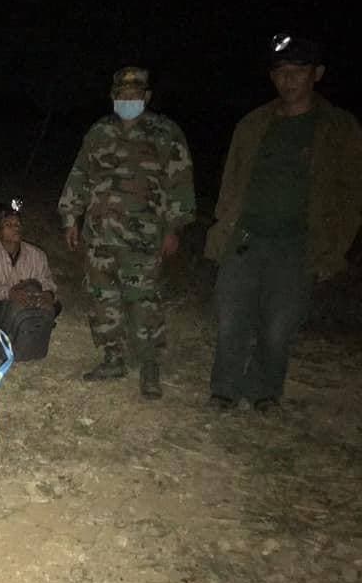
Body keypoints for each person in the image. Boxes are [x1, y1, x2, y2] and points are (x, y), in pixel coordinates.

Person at [204, 35, 362, 413]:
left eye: (298, 71)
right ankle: (224, 390)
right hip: (245, 237)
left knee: (279, 326)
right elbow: (232, 180)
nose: (288, 79)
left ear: (317, 74)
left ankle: (264, 392)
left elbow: (351, 195)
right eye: (280, 71)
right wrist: (223, 226)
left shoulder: (339, 128)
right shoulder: (253, 123)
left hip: (297, 243)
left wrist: (332, 247)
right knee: (230, 317)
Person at [58, 66, 195, 398]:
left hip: (143, 237)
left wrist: (174, 228)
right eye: (122, 94)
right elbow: (80, 174)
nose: (128, 99)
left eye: (135, 94)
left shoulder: (165, 133)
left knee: (143, 300)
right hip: (99, 234)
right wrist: (70, 218)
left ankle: (149, 366)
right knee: (102, 297)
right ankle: (113, 357)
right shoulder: (100, 132)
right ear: (113, 96)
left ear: (146, 96)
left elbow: (180, 183)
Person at [0, 199, 61, 359]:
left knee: (55, 305)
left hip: (29, 301)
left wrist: (48, 294)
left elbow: (47, 281)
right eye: (8, 225)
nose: (15, 228)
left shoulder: (37, 254)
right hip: (0, 303)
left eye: (17, 224)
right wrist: (9, 293)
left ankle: (31, 330)